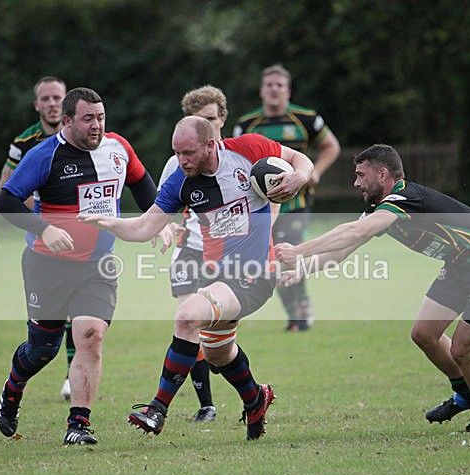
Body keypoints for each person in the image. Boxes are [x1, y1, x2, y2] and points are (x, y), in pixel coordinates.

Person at [79, 115, 313, 440]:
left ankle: (157, 409)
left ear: (210, 144)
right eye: (177, 152)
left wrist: (300, 176)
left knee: (187, 315)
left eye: (188, 152)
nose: (182, 160)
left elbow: (300, 159)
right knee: (218, 353)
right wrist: (111, 223)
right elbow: (146, 226)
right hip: (217, 278)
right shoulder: (180, 181)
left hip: (254, 274)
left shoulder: (248, 149)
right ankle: (255, 398)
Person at [275, 144, 470, 433]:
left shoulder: (405, 198)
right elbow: (345, 246)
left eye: (360, 175)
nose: (355, 183)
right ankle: (466, 394)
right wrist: (302, 269)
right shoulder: (382, 208)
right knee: (424, 334)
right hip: (462, 265)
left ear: (382, 174)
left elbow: (355, 231)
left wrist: (299, 250)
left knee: (462, 350)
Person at [0, 87, 164, 446]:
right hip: (46, 266)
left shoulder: (118, 148)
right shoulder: (45, 155)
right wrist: (45, 228)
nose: (97, 125)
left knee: (90, 334)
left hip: (97, 266)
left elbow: (142, 184)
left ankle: (78, 424)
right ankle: (12, 389)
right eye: (88, 119)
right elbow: (5, 200)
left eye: (101, 117)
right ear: (68, 120)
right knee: (42, 350)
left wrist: (158, 222)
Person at [233, 64, 340, 332]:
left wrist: (315, 172)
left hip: (296, 203)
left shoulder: (306, 119)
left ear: (288, 91)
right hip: (261, 205)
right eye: (269, 85)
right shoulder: (246, 125)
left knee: (288, 254)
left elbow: (331, 146)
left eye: (279, 85)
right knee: (271, 257)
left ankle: (301, 310)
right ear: (261, 91)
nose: (274, 89)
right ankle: (294, 312)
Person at [0, 76, 77, 400]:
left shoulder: (81, 137)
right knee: (48, 329)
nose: (52, 104)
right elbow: (7, 188)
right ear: (37, 105)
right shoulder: (25, 142)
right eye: (46, 99)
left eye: (58, 97)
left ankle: (72, 376)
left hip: (78, 235)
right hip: (42, 238)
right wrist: (45, 219)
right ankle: (25, 369)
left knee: (78, 311)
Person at [158, 85, 229, 424]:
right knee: (189, 322)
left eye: (211, 119)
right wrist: (164, 227)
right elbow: (160, 207)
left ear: (222, 119)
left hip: (230, 257)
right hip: (189, 250)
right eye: (199, 120)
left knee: (217, 346)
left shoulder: (238, 158)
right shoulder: (177, 163)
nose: (207, 125)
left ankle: (217, 359)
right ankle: (206, 405)